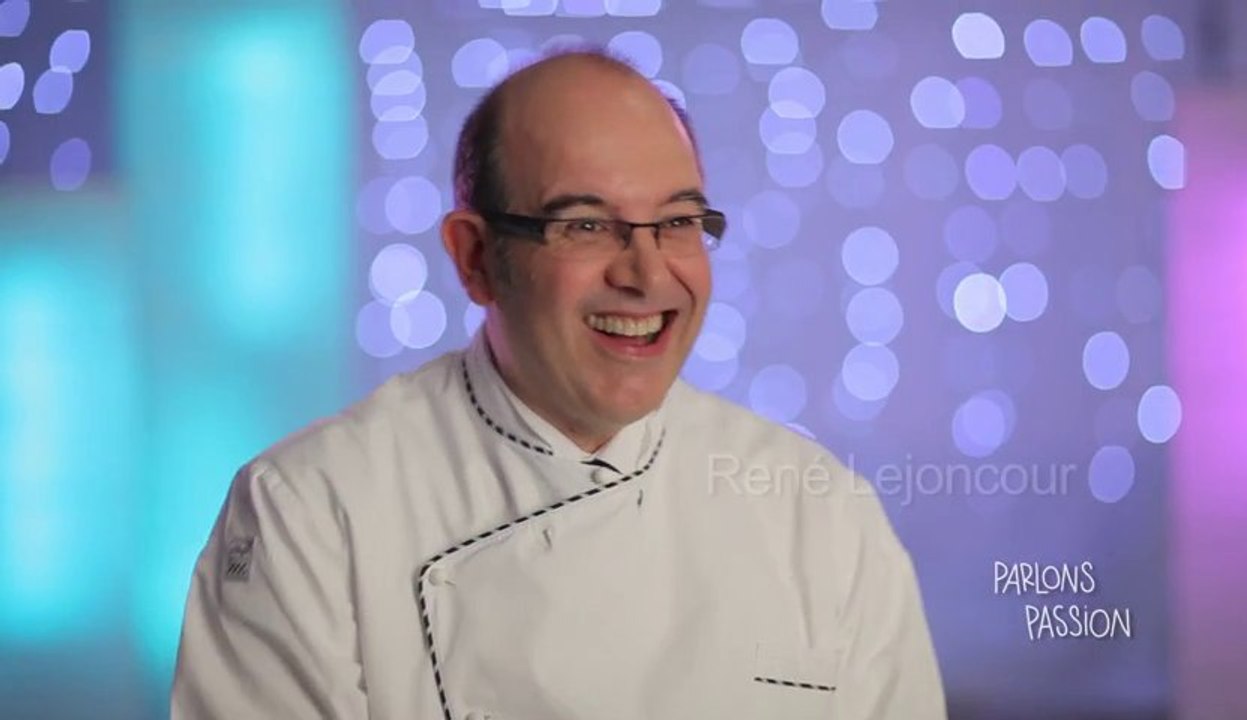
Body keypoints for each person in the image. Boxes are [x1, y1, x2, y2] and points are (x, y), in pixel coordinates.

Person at [171, 48, 946, 719]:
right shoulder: (311, 512)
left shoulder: (820, 515)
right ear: (475, 258)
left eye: (678, 222)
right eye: (585, 224)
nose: (646, 275)